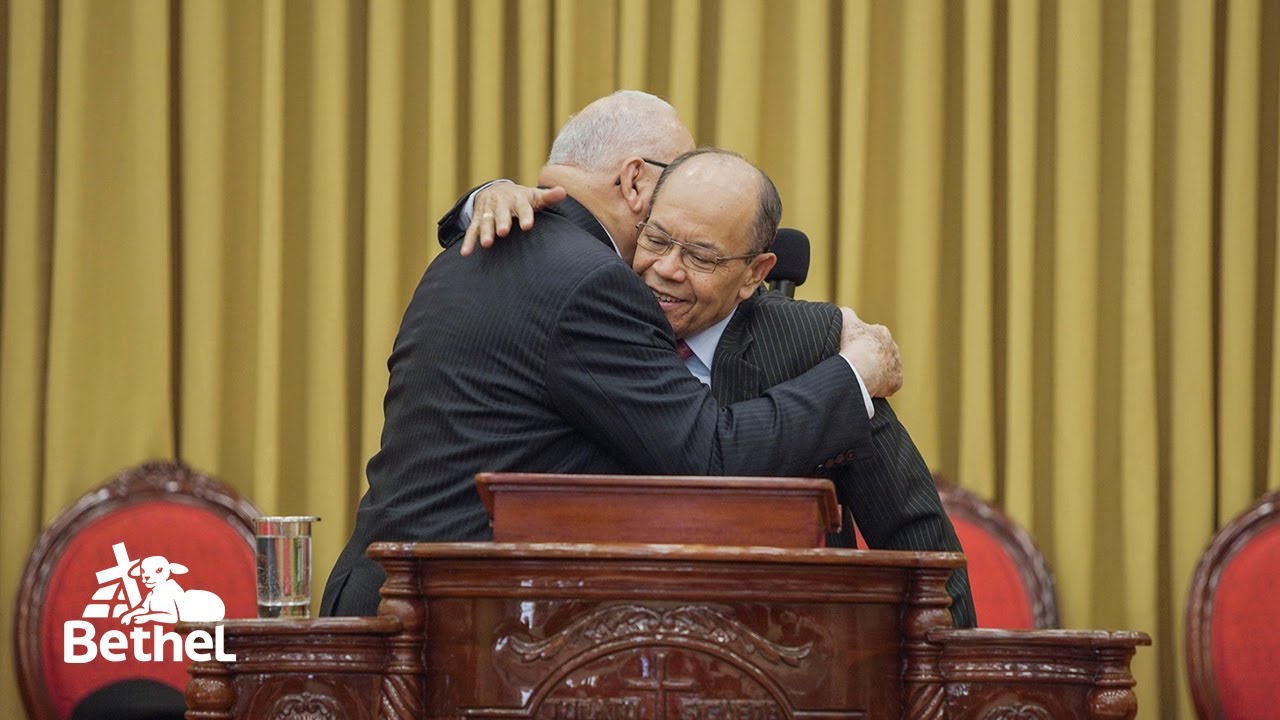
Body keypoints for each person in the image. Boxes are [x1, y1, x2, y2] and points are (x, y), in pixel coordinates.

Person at [321, 91, 900, 617]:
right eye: (678, 179)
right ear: (635, 182)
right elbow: (710, 458)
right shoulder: (592, 282)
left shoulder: (471, 249)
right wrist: (855, 374)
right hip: (446, 619)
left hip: (380, 591)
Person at [450, 147, 977, 628]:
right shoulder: (594, 320)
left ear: (755, 274)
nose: (665, 270)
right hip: (592, 644)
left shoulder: (814, 347)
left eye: (701, 257)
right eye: (655, 240)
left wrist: (950, 677)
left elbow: (916, 536)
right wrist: (485, 195)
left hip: (780, 650)